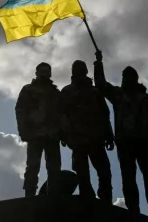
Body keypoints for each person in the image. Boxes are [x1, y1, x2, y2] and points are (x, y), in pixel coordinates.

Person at [94, 50, 148, 220]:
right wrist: (98, 63)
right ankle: (134, 211)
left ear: (135, 78)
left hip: (144, 142)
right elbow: (101, 85)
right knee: (129, 180)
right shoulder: (118, 94)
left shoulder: (146, 98)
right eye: (125, 76)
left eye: (130, 75)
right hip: (125, 143)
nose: (127, 78)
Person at [60, 59, 114, 202]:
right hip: (77, 139)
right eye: (76, 69)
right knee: (82, 173)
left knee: (104, 172)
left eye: (81, 69)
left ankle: (105, 199)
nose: (79, 72)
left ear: (85, 71)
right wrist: (64, 135)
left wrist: (109, 134)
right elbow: (61, 114)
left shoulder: (95, 92)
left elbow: (104, 114)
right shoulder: (66, 91)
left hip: (96, 138)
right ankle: (87, 198)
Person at [15, 62, 61, 197]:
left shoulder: (55, 93)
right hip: (34, 134)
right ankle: (29, 195)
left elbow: (62, 114)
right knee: (32, 166)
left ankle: (53, 196)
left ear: (50, 73)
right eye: (42, 71)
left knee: (54, 168)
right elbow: (20, 110)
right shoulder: (28, 90)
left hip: (53, 135)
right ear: (36, 73)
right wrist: (23, 131)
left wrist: (63, 133)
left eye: (47, 71)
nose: (44, 73)